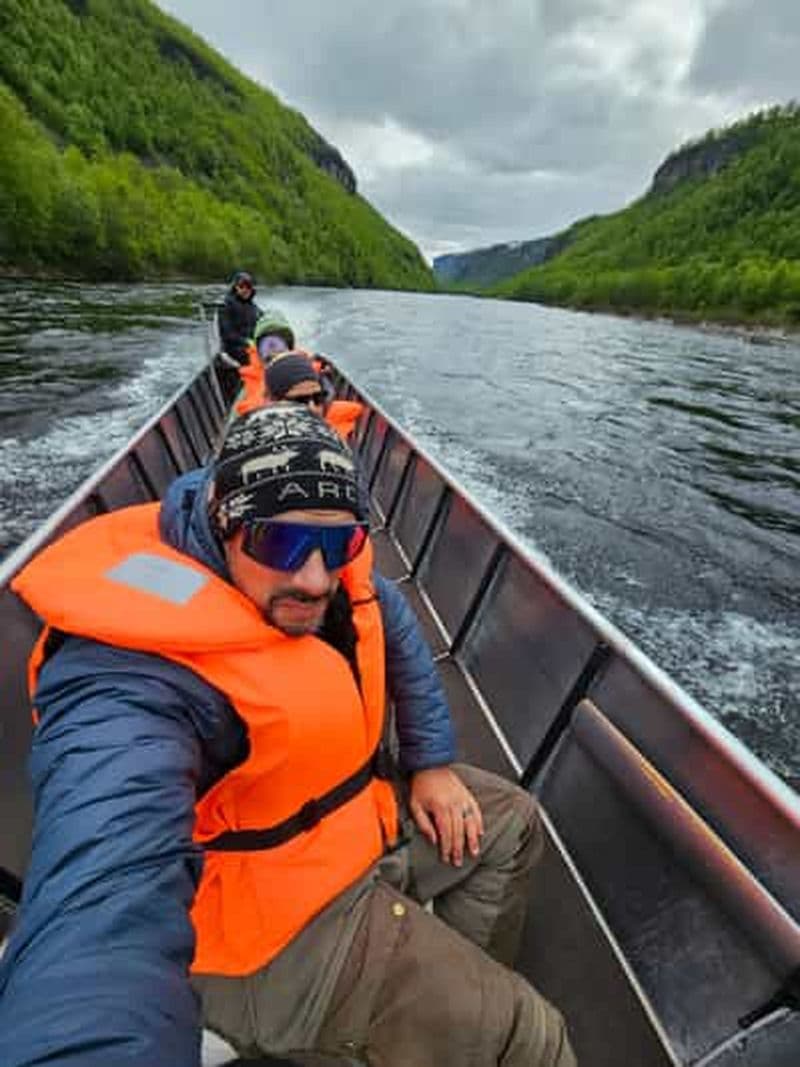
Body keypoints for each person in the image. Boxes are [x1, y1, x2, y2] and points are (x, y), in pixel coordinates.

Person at [0, 406, 576, 1067]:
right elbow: (101, 893)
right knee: (531, 1037)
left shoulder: (330, 577)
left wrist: (431, 762)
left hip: (347, 824)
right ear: (223, 517)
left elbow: (387, 619)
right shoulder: (131, 674)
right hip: (259, 929)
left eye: (340, 545)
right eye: (280, 542)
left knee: (512, 822)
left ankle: (438, 1018)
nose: (313, 577)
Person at [261, 351, 366, 442]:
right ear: (273, 403)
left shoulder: (338, 443)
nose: (313, 408)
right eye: (300, 401)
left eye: (318, 398)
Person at [216, 271, 262, 404]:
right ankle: (246, 397)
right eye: (241, 286)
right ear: (236, 287)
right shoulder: (226, 305)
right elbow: (227, 334)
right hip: (233, 350)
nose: (245, 290)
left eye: (248, 286)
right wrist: (247, 342)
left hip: (252, 348)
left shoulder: (253, 307)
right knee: (257, 361)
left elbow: (264, 323)